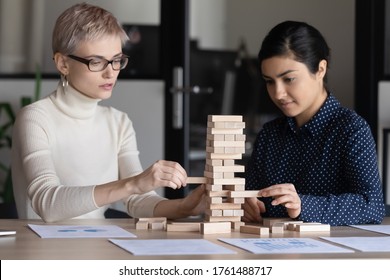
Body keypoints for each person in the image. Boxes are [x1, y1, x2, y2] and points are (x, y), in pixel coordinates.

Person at [11, 3, 205, 223]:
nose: (110, 72)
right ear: (63, 63)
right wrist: (133, 183)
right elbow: (47, 203)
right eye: (96, 61)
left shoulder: (118, 122)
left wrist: (184, 207)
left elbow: (137, 201)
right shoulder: (35, 118)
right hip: (42, 249)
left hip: (98, 246)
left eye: (116, 60)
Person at [243, 20, 385, 226]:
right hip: (270, 248)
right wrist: (246, 206)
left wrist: (303, 205)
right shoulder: (270, 133)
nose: (278, 93)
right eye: (269, 81)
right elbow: (252, 197)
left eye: (289, 79)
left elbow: (372, 206)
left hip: (331, 253)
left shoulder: (351, 129)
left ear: (320, 69)